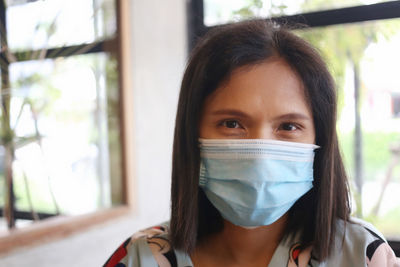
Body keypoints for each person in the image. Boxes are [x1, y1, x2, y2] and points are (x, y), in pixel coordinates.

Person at [104, 20, 400, 267]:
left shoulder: (362, 255)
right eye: (232, 124)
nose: (260, 154)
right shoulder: (140, 257)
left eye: (288, 126)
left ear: (319, 140)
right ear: (192, 135)